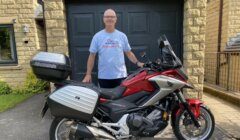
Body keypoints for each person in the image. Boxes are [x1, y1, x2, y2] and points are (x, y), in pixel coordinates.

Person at [82, 9, 144, 88]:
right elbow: (92, 56)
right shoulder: (97, 37)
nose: (110, 18)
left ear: (115, 19)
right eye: (107, 16)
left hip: (121, 76)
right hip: (104, 77)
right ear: (103, 19)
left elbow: (128, 53)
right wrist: (88, 74)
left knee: (121, 100)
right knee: (105, 100)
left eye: (112, 17)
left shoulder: (122, 36)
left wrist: (137, 62)